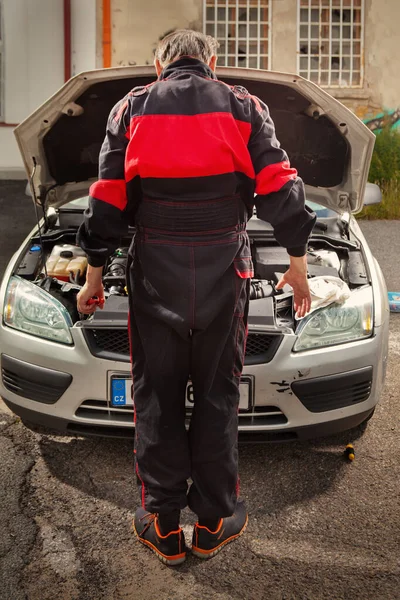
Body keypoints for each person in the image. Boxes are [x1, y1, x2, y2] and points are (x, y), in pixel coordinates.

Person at [77, 29, 316, 566]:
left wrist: (94, 276)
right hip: (223, 271)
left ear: (159, 64)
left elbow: (108, 200)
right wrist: (298, 264)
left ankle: (161, 524)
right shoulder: (244, 106)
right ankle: (213, 522)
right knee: (216, 395)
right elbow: (281, 184)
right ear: (211, 61)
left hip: (154, 272)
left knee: (155, 397)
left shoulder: (130, 108)